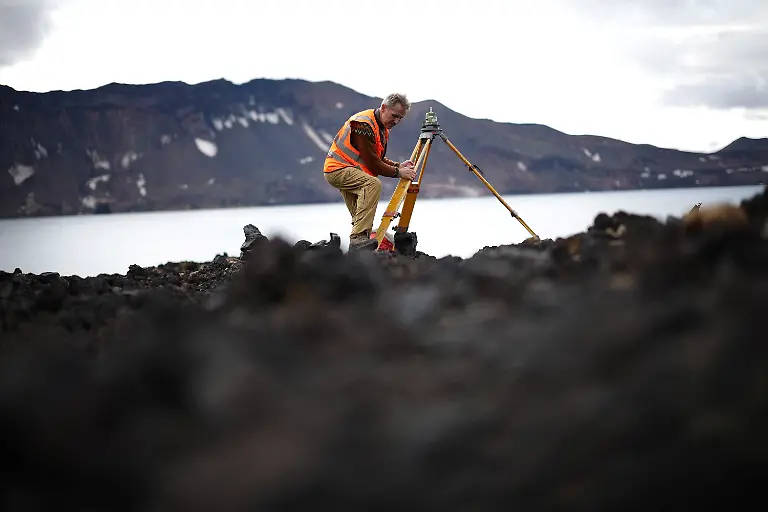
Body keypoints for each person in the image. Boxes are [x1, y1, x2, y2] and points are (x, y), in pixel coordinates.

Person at [323, 93, 418, 251]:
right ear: (383, 108)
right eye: (394, 115)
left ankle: (361, 251)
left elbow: (377, 157)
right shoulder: (363, 125)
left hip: (349, 170)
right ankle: (358, 240)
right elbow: (373, 163)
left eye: (400, 118)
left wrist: (398, 166)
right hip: (338, 169)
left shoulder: (381, 127)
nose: (396, 121)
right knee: (372, 184)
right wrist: (398, 172)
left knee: (361, 218)